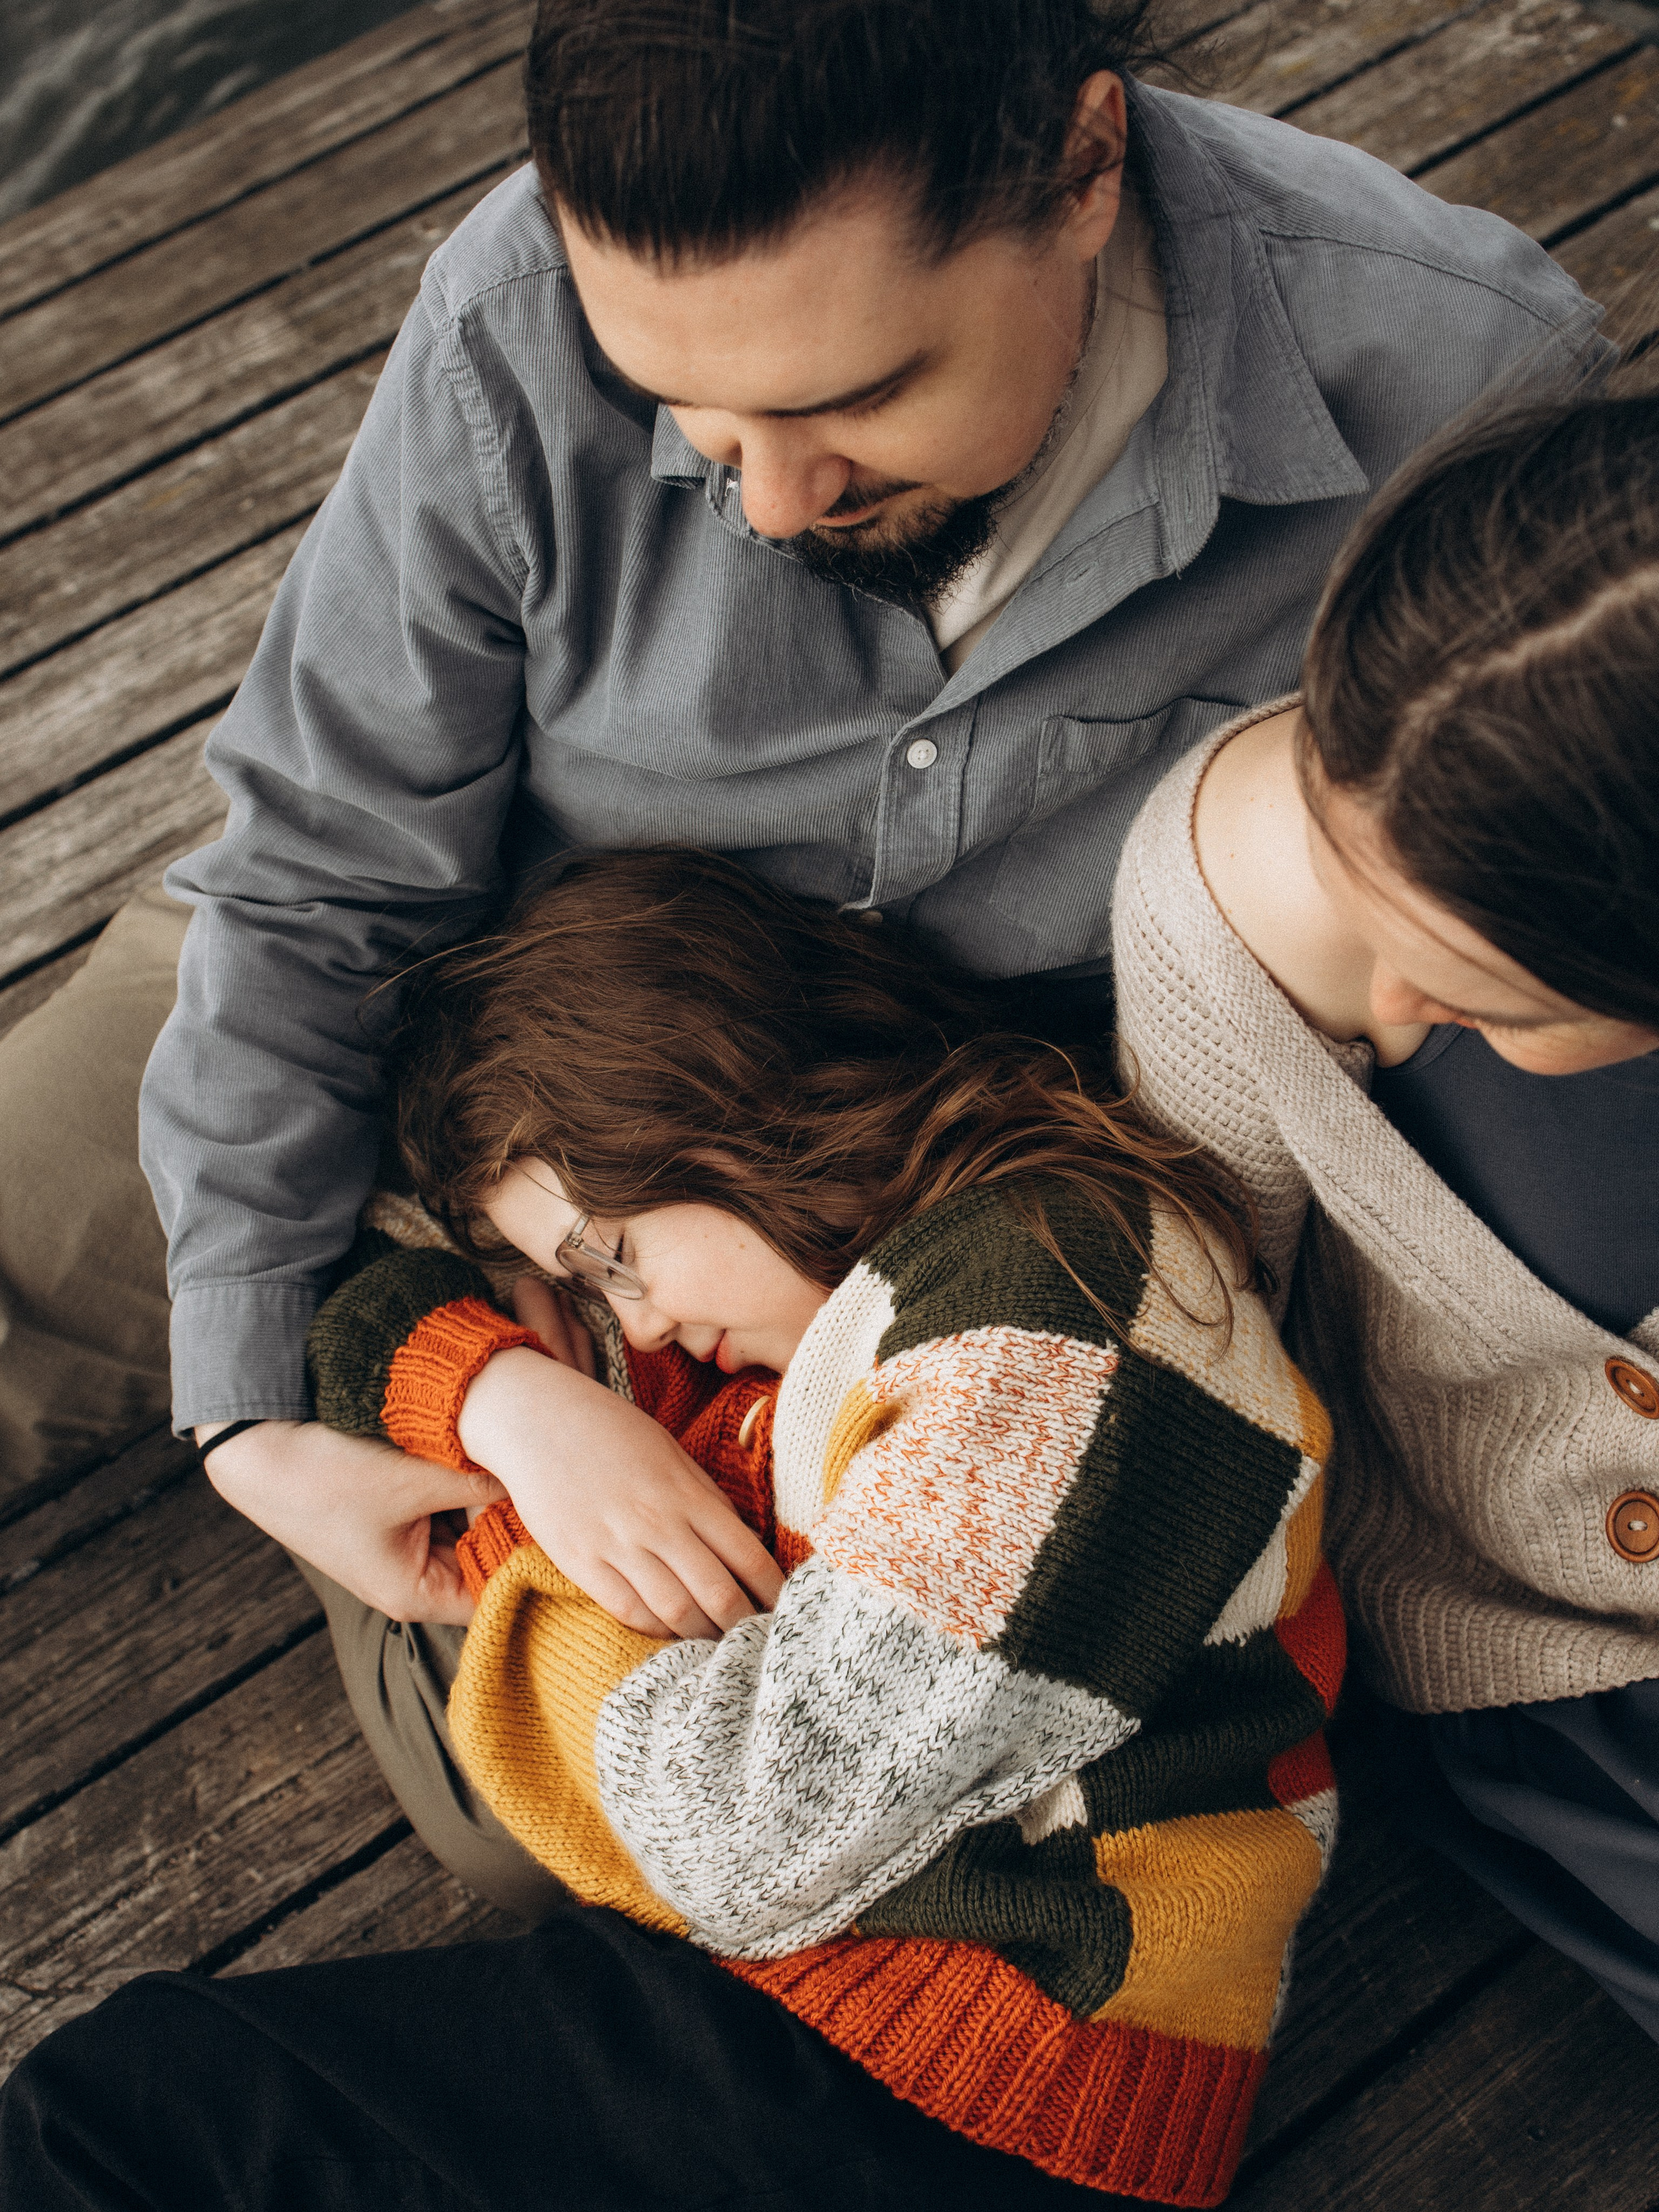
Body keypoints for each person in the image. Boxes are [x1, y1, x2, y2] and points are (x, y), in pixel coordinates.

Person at [0, 0, 1602, 1514]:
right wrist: (255, 1418)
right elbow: (318, 878)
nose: (766, 503)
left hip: (912, 1172)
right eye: (681, 403)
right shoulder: (509, 312)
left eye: (858, 396)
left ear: (1084, 165)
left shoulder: (1455, 386)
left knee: (600, 1759)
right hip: (441, 969)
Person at [2, 850, 1344, 2209]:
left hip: (970, 2074)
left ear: (728, 1103)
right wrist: (502, 1396)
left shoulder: (1065, 1306)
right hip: (844, 2030)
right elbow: (357, 1250)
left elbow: (748, 1834)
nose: (627, 1322)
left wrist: (536, 1571)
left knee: (122, 2115)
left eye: (613, 1254)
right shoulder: (791, 1343)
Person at [1111, 393, 1659, 2042]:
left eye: (1494, 998)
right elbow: (1195, 1356)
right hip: (1547, 1651)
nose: (1398, 1014)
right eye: (1372, 906)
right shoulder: (1220, 921)